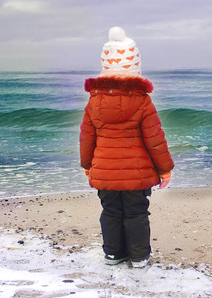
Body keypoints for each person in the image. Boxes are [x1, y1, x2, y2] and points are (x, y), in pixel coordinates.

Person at [79, 27, 174, 268]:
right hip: (136, 174)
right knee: (136, 213)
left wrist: (88, 165)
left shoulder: (94, 101)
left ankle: (113, 254)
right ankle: (140, 256)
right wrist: (164, 169)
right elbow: (155, 139)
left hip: (105, 171)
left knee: (110, 211)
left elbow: (86, 138)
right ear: (135, 68)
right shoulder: (142, 100)